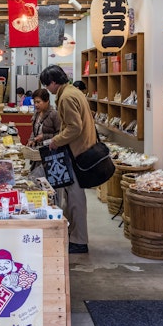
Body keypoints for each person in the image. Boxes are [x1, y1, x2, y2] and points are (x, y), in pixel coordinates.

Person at [39, 65, 96, 254]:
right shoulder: (74, 91)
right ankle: (74, 235)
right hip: (81, 149)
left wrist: (55, 140)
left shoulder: (66, 97)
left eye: (48, 85)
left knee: (75, 198)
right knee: (73, 196)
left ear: (54, 82)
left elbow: (74, 128)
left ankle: (79, 240)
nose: (48, 89)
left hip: (76, 152)